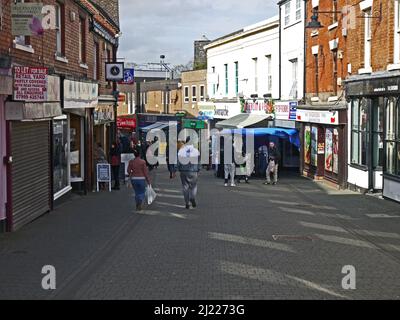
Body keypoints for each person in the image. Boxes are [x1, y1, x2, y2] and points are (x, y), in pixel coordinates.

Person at [173, 137, 201, 209]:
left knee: (185, 187)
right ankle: (192, 197)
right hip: (193, 171)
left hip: (183, 171)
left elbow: (177, 161)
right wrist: (198, 169)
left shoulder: (181, 151)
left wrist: (175, 169)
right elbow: (199, 161)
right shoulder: (196, 151)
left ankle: (187, 203)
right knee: (193, 186)